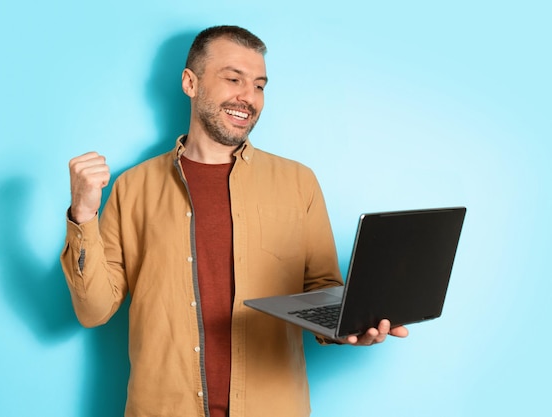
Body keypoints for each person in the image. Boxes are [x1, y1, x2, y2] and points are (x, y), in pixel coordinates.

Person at [61, 25, 408, 417]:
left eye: (259, 85)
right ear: (190, 83)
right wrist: (84, 213)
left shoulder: (298, 182)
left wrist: (351, 326)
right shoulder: (133, 187)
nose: (249, 97)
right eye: (233, 79)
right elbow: (93, 310)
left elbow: (323, 290)